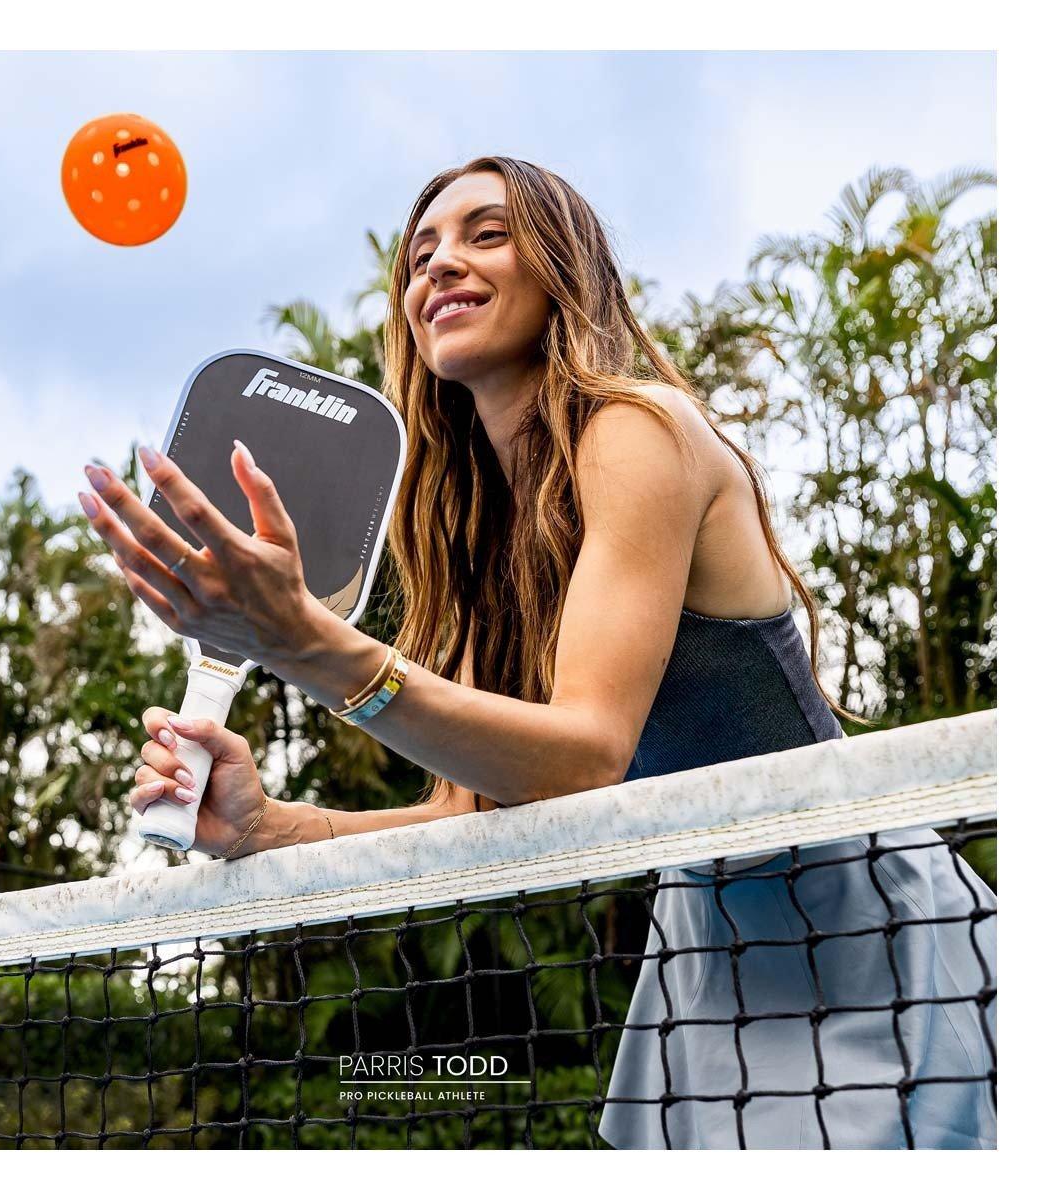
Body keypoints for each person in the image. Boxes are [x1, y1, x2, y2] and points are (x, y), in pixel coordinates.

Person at [78, 156, 995, 1149]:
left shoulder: (639, 431)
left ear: (563, 266)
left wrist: (311, 647)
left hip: (875, 926)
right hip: (708, 951)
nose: (440, 265)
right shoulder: (483, 532)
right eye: (420, 256)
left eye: (487, 234)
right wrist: (268, 828)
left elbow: (588, 753)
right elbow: (468, 818)